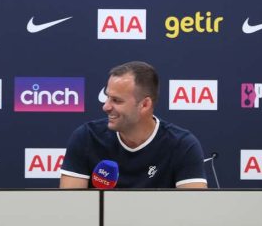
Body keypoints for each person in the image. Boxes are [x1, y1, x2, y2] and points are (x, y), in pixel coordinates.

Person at [59, 61, 207, 189]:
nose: (106, 106)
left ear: (144, 104)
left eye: (116, 100)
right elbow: (71, 209)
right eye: (107, 97)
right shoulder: (87, 137)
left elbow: (194, 213)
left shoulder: (182, 145)